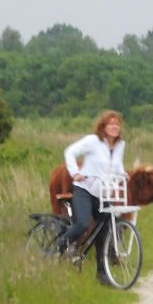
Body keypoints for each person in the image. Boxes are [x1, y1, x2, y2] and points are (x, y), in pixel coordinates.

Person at [60, 110, 127, 284]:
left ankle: (102, 273)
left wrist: (124, 175)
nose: (114, 127)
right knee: (83, 222)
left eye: (117, 124)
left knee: (105, 231)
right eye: (111, 124)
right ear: (103, 126)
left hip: (103, 193)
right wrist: (75, 172)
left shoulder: (120, 145)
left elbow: (117, 166)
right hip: (85, 189)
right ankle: (61, 245)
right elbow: (70, 152)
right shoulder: (93, 141)